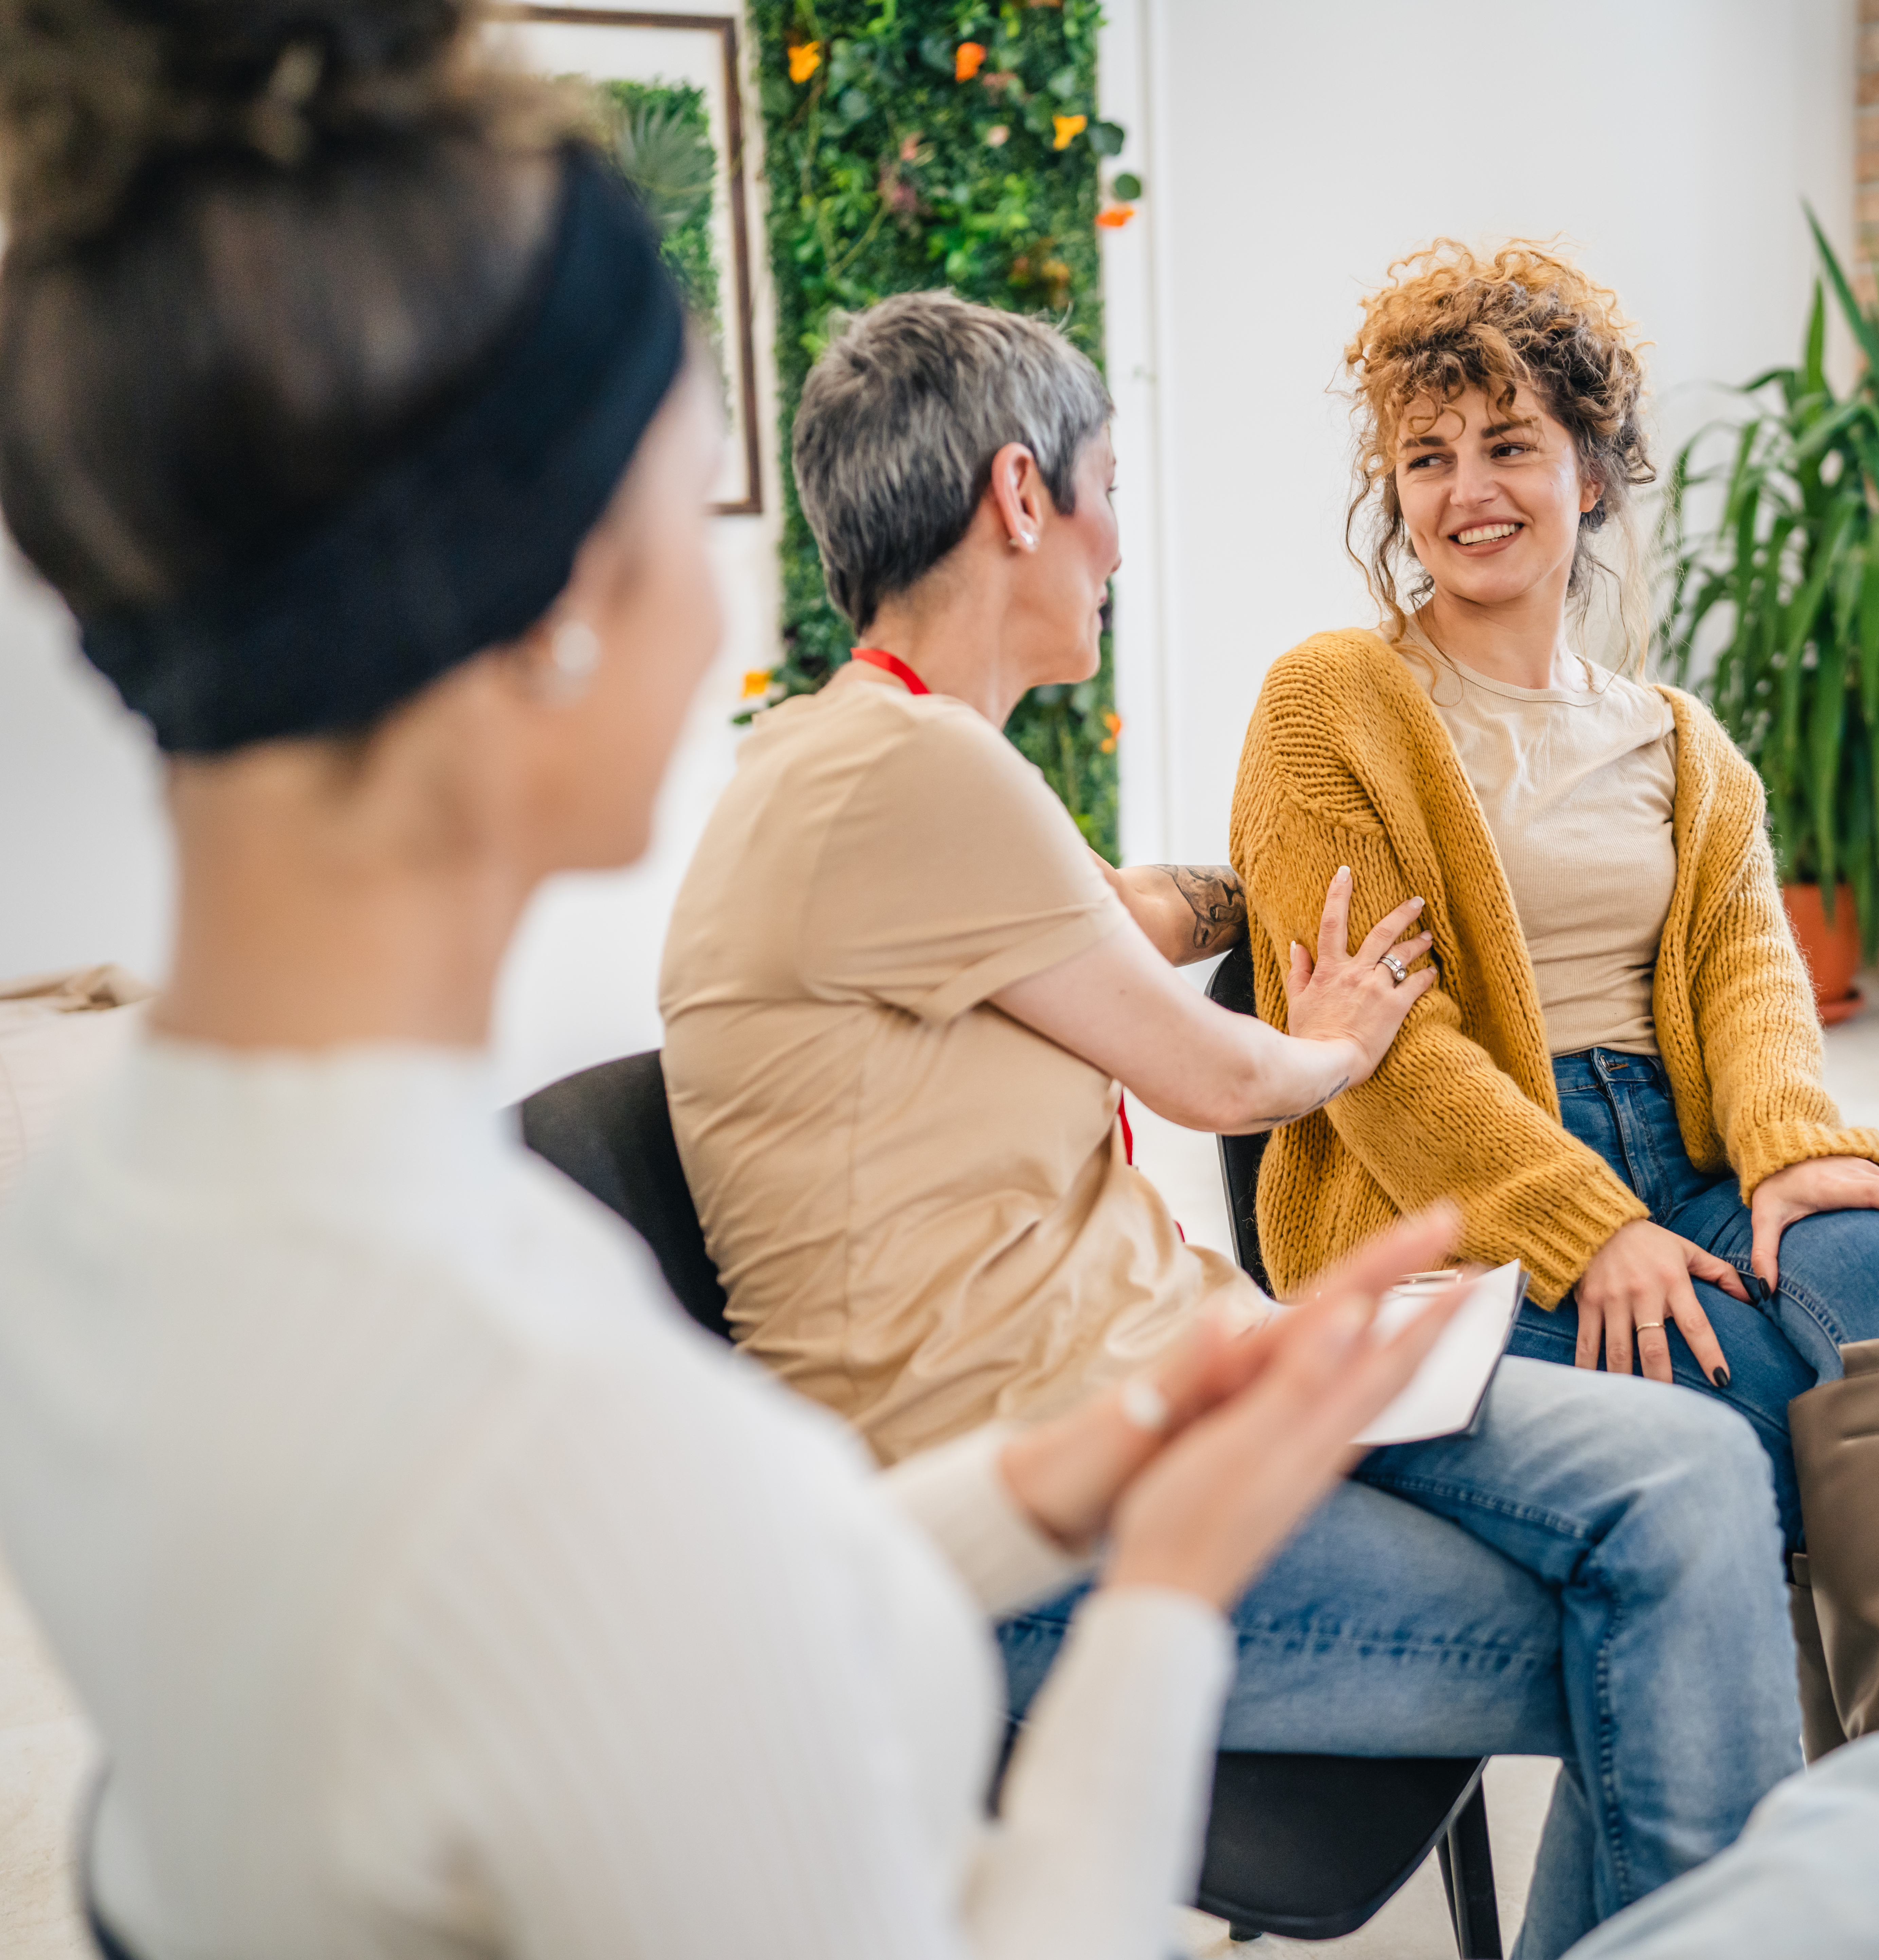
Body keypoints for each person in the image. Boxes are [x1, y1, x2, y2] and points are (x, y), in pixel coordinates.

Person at [0, 6, 1484, 1954]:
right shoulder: (562, 1430)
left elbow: (716, 1605)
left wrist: (1063, 1474)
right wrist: (1159, 1601)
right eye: (695, 484)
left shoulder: (91, 1235)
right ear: (548, 614)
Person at [658, 288, 1805, 1955]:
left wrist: (1257, 890)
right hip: (1022, 1517)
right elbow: (1224, 1079)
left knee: (1694, 1478)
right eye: (1107, 487)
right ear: (1020, 499)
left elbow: (1110, 917)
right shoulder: (908, 776)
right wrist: (1330, 1037)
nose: (1119, 545)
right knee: (1675, 1589)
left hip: (1180, 1380)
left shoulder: (887, 766)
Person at [1226, 240, 1879, 1760]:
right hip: (1450, 1200)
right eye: (1426, 456)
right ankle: (1830, 1823)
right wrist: (1585, 1226)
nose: (1469, 489)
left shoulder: (1678, 738)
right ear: (1391, 494)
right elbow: (1385, 1052)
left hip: (1694, 1156)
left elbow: (1745, 970)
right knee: (1755, 1437)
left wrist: (1794, 1143)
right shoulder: (1328, 702)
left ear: (1590, 470)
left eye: (1510, 444)